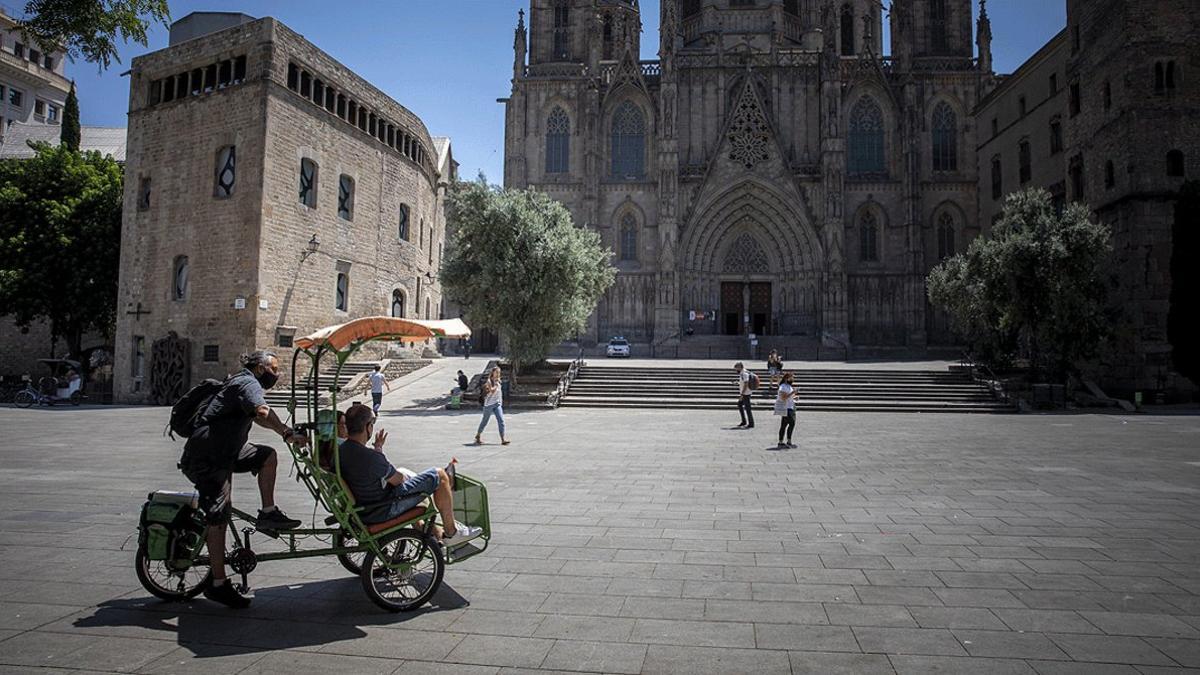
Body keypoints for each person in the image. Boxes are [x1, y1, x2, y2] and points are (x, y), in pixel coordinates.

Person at [179, 350, 307, 608]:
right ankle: (218, 584)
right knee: (219, 515)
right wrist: (285, 431)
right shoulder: (248, 382)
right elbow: (261, 411)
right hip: (210, 456)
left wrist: (281, 431)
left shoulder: (241, 382)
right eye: (274, 368)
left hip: (229, 450)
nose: (277, 374)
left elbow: (254, 414)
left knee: (266, 457)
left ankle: (268, 512)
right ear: (259, 368)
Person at [338, 404, 481, 545]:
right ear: (368, 427)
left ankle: (436, 535)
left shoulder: (341, 451)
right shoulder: (370, 458)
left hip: (366, 505)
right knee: (439, 475)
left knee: (406, 473)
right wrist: (379, 452)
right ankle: (451, 532)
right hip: (383, 508)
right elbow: (397, 480)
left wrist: (378, 449)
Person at [474, 366, 509, 445]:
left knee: (501, 421)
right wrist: (496, 385)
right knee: (485, 421)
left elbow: (499, 393)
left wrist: (501, 402)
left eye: (499, 373)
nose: (497, 374)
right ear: (492, 373)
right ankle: (478, 435)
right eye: (496, 372)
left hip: (497, 404)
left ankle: (503, 439)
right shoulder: (489, 382)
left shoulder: (499, 381)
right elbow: (492, 391)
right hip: (488, 404)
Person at [775, 371, 796, 449]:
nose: (793, 379)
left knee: (784, 425)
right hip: (786, 408)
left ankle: (782, 441)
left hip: (790, 406)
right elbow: (783, 397)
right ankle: (787, 440)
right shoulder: (783, 386)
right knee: (791, 423)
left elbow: (788, 397)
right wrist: (793, 393)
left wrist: (794, 397)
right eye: (792, 377)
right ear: (787, 378)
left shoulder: (788, 386)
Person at [734, 362, 754, 428]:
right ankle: (744, 421)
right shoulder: (743, 373)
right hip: (745, 393)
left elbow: (746, 384)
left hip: (746, 394)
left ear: (740, 367)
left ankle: (751, 423)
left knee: (748, 408)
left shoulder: (744, 373)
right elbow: (744, 382)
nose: (736, 370)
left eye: (736, 368)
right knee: (740, 405)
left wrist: (742, 395)